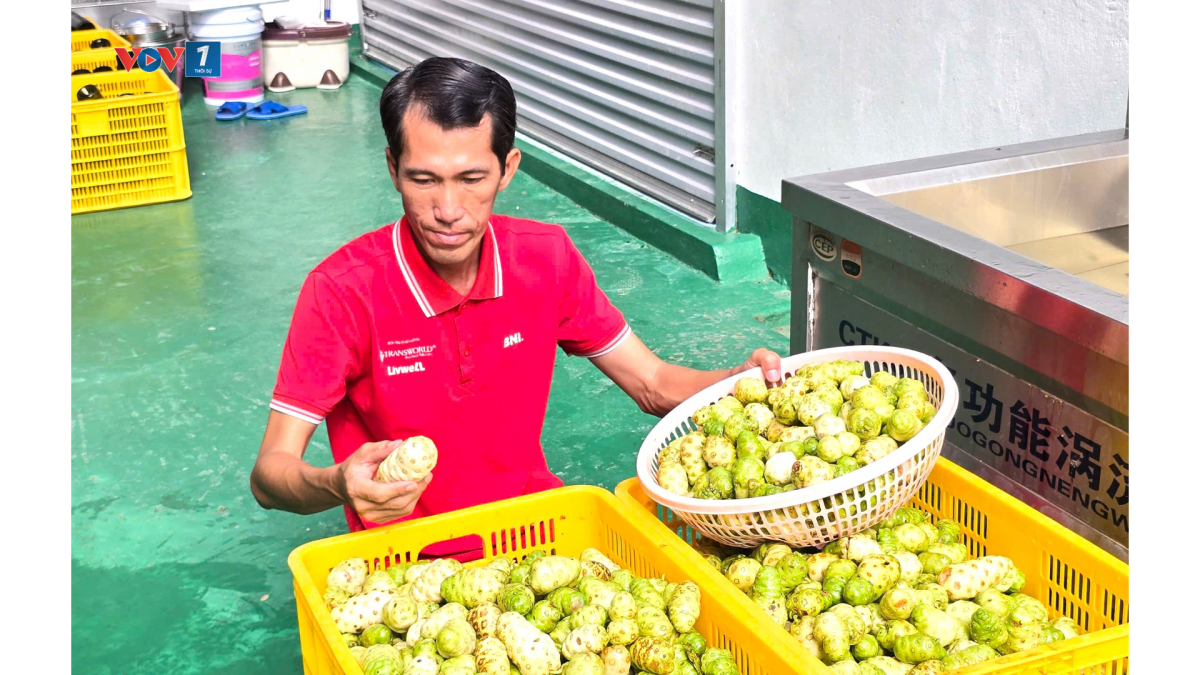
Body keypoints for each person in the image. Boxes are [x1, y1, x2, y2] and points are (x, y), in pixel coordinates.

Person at [249, 57, 783, 559]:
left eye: (471, 179)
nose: (448, 210)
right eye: (423, 179)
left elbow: (651, 382)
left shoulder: (545, 258)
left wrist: (735, 382)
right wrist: (335, 482)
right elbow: (270, 475)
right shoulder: (341, 291)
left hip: (534, 532)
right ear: (393, 168)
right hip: (406, 563)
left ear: (508, 169)